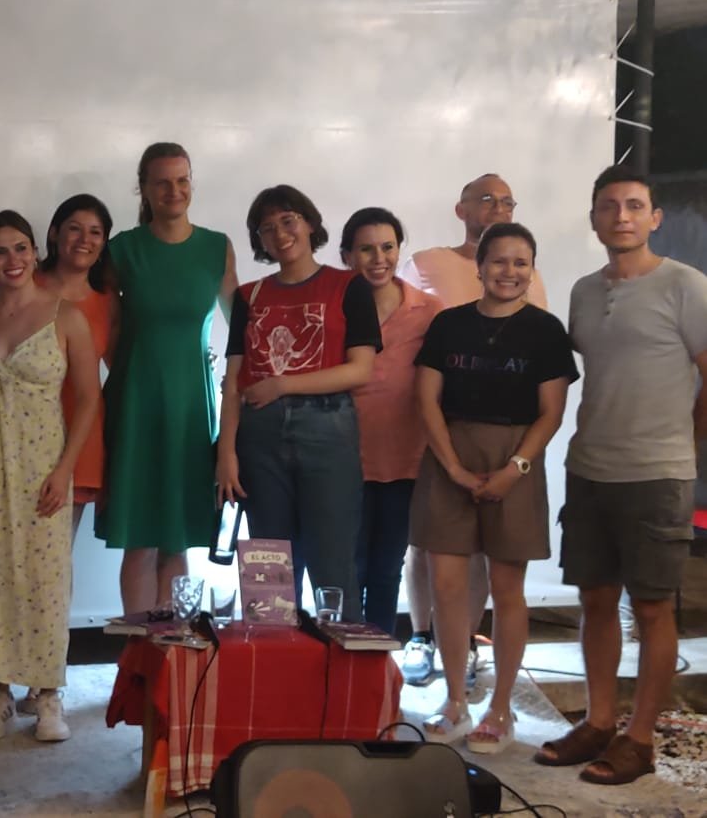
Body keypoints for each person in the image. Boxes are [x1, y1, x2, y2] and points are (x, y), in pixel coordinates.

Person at [534, 166, 707, 784]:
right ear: (594, 220)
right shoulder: (584, 291)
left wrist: (684, 444)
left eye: (635, 205)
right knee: (596, 598)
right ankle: (600, 722)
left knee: (654, 608)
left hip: (657, 474)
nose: (622, 216)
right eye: (609, 206)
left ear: (655, 217)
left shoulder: (686, 284)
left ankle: (640, 739)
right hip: (589, 468)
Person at [411, 223, 577, 752]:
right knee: (447, 587)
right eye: (499, 261)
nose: (510, 271)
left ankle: (501, 708)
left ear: (532, 269)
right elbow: (426, 399)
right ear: (479, 268)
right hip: (449, 456)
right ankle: (455, 699)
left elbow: (551, 412)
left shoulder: (546, 331)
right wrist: (453, 468)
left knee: (508, 591)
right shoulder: (449, 324)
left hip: (516, 459)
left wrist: (515, 469)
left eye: (521, 262)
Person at [0, 210, 98, 743]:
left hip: (42, 465)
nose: (13, 260)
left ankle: (48, 694)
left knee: (43, 578)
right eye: (0, 251)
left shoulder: (66, 316)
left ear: (36, 251)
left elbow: (88, 398)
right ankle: (0, 693)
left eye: (21, 248)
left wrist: (65, 468)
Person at [397, 173, 547, 688]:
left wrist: (519, 457)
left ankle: (466, 642)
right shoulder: (428, 263)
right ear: (461, 210)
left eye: (507, 200)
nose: (499, 207)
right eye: (487, 199)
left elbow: (538, 358)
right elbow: (404, 331)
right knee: (428, 546)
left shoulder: (528, 278)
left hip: (506, 438)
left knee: (486, 552)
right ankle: (421, 636)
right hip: (439, 428)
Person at [216, 186, 380, 618]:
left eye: (288, 221)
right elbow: (233, 380)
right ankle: (271, 657)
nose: (280, 233)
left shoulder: (348, 286)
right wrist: (226, 453)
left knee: (333, 566)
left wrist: (283, 384)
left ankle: (340, 659)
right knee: (268, 571)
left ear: (309, 224)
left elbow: (360, 369)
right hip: (259, 436)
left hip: (327, 431)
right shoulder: (249, 296)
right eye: (267, 228)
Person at [97, 142, 238, 613]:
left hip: (193, 407)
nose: (174, 190)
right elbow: (107, 330)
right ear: (144, 188)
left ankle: (171, 648)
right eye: (162, 182)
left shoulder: (216, 247)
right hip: (136, 404)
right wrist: (139, 375)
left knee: (178, 538)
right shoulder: (122, 249)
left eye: (182, 180)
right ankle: (139, 648)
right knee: (140, 539)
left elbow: (242, 328)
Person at [16, 193, 118, 714]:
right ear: (54, 234)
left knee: (53, 564)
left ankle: (44, 676)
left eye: (96, 232)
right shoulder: (23, 283)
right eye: (74, 228)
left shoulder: (107, 300)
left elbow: (120, 372)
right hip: (15, 437)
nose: (84, 240)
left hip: (77, 441)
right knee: (5, 557)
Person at [341, 207, 443, 634]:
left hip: (404, 461)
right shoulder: (334, 305)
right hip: (341, 460)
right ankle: (342, 656)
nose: (378, 258)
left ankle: (377, 659)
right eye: (366, 249)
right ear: (347, 256)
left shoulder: (430, 311)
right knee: (347, 569)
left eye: (387, 247)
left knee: (386, 569)